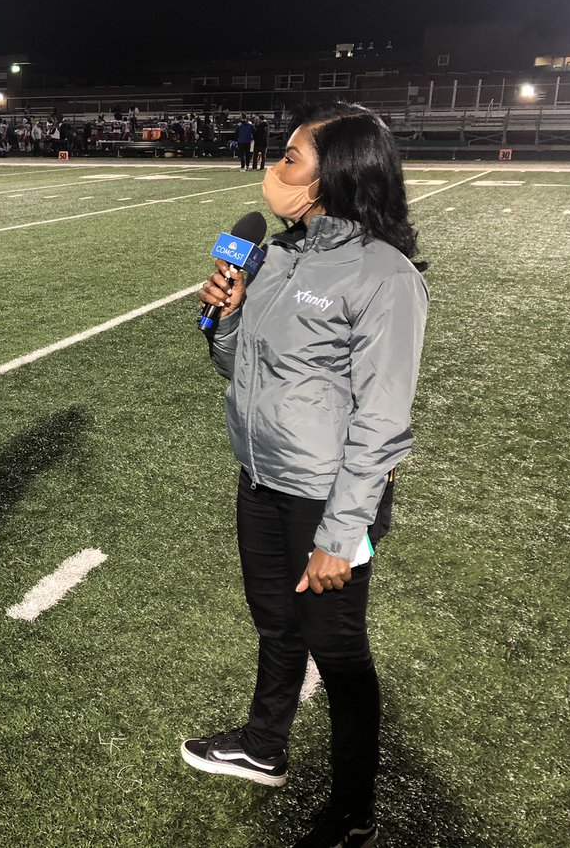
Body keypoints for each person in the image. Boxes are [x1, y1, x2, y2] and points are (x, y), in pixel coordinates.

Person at [183, 102, 429, 848]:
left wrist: (341, 532)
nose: (274, 169)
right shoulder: (278, 257)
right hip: (259, 478)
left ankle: (353, 812)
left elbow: (383, 421)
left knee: (340, 651)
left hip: (327, 498)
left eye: (289, 158)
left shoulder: (385, 278)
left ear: (334, 179)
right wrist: (224, 317)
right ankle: (264, 744)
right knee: (275, 623)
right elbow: (237, 368)